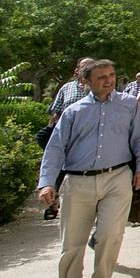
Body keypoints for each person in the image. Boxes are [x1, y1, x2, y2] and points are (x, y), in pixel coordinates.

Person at [36, 59, 140, 278]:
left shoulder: (128, 104)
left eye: (111, 75)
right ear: (86, 81)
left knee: (110, 234)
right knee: (72, 244)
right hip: (79, 181)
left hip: (117, 177)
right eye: (101, 77)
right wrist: (47, 182)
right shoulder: (73, 111)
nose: (108, 81)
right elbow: (55, 149)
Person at [41, 57, 96, 220]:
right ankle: (52, 202)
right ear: (77, 70)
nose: (87, 69)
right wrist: (51, 134)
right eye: (84, 66)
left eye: (91, 66)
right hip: (66, 137)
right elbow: (55, 112)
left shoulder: (99, 89)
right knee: (58, 170)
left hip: (90, 138)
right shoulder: (66, 88)